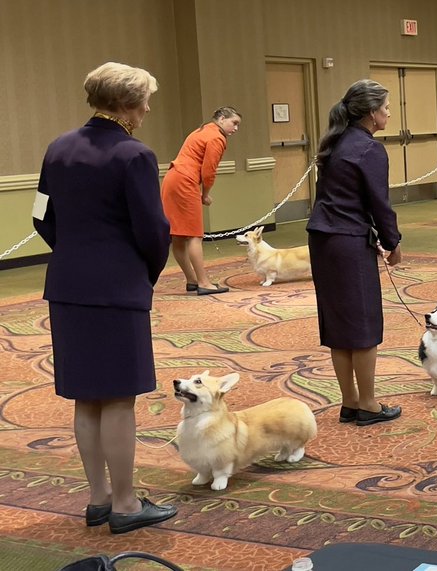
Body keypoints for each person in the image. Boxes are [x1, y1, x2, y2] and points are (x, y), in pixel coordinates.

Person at [32, 62, 177, 534]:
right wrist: (144, 271)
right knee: (118, 399)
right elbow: (153, 230)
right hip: (116, 289)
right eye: (146, 99)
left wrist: (74, 253)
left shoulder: (58, 148)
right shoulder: (134, 154)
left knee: (85, 398)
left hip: (68, 285)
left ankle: (98, 499)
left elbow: (40, 216)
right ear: (127, 104)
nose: (149, 108)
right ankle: (126, 504)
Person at [307, 79, 403, 427]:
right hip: (347, 243)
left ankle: (350, 401)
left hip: (323, 239)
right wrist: (393, 242)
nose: (389, 112)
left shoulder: (334, 142)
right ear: (371, 112)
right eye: (386, 107)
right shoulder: (368, 148)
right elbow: (380, 202)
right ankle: (369, 404)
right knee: (362, 323)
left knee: (338, 324)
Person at [160, 106, 241, 295]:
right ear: (221, 119)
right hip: (185, 181)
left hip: (172, 178)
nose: (236, 128)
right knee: (195, 235)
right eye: (234, 123)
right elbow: (209, 170)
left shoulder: (202, 130)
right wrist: (205, 194)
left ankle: (192, 280)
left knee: (179, 235)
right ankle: (204, 282)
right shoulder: (217, 137)